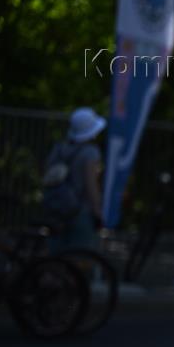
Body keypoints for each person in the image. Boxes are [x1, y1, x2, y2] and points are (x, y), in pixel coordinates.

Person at [41, 107, 105, 252]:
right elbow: (91, 185)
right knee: (79, 256)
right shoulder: (90, 152)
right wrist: (97, 212)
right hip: (80, 211)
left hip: (56, 209)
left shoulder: (58, 149)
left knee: (56, 256)